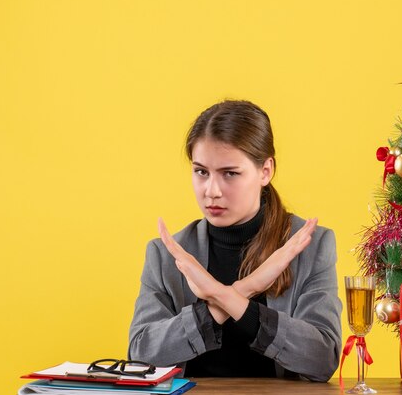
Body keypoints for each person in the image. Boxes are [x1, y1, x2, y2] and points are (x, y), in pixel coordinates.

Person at [128, 100, 342, 382]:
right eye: (201, 172)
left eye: (230, 173)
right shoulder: (167, 254)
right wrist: (246, 288)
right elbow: (141, 357)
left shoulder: (310, 246)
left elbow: (322, 360)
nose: (212, 191)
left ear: (265, 171)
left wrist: (226, 298)